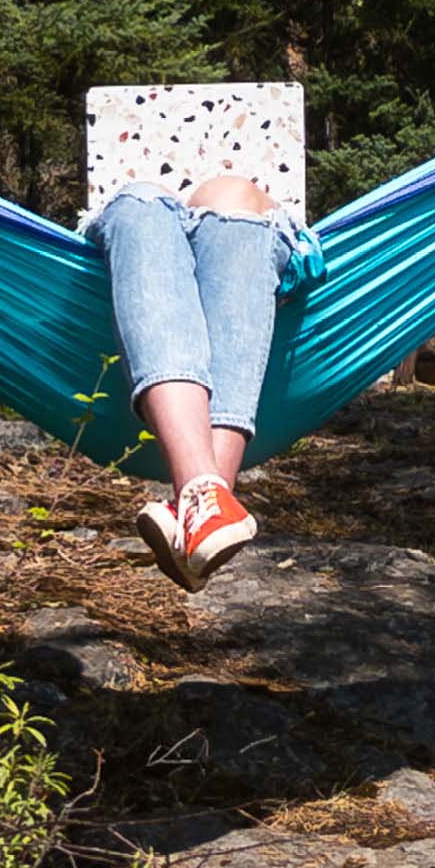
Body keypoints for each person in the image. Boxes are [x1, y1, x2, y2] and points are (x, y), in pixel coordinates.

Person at [87, 171, 295, 586]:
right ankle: (206, 511)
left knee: (232, 196)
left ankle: (196, 502)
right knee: (139, 202)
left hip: (253, 231)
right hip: (136, 230)